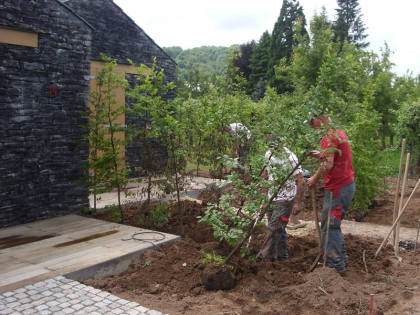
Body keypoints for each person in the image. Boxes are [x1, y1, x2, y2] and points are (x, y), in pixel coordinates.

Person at [307, 115, 356, 274]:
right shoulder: (338, 133)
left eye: (311, 122)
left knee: (330, 226)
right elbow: (332, 154)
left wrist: (314, 178)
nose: (311, 126)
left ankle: (334, 266)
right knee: (331, 225)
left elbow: (328, 163)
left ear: (319, 118)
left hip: (338, 188)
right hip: (345, 185)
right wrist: (319, 154)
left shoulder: (329, 137)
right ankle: (340, 258)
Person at [257, 137, 305, 261]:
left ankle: (263, 258)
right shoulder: (268, 154)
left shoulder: (291, 158)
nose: (274, 149)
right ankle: (282, 257)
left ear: (282, 144)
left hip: (286, 199)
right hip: (271, 197)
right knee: (279, 228)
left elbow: (300, 180)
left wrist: (298, 203)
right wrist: (264, 197)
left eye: (276, 146)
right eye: (271, 147)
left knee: (273, 228)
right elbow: (265, 175)